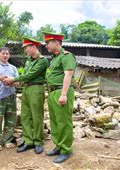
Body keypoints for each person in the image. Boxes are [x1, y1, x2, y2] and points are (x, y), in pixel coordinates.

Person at [3, 37, 48, 154]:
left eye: (26, 48)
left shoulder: (42, 61)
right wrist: (14, 82)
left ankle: (38, 142)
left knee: (37, 116)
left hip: (36, 88)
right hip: (26, 88)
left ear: (33, 46)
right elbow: (26, 76)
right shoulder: (28, 61)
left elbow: (31, 75)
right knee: (25, 116)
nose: (25, 51)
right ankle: (28, 141)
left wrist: (13, 79)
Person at [42, 32, 76, 163]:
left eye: (48, 43)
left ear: (56, 42)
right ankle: (58, 145)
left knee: (63, 122)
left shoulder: (67, 56)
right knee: (55, 121)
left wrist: (63, 94)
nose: (46, 46)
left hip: (61, 91)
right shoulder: (55, 58)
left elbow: (68, 75)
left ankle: (66, 149)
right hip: (52, 92)